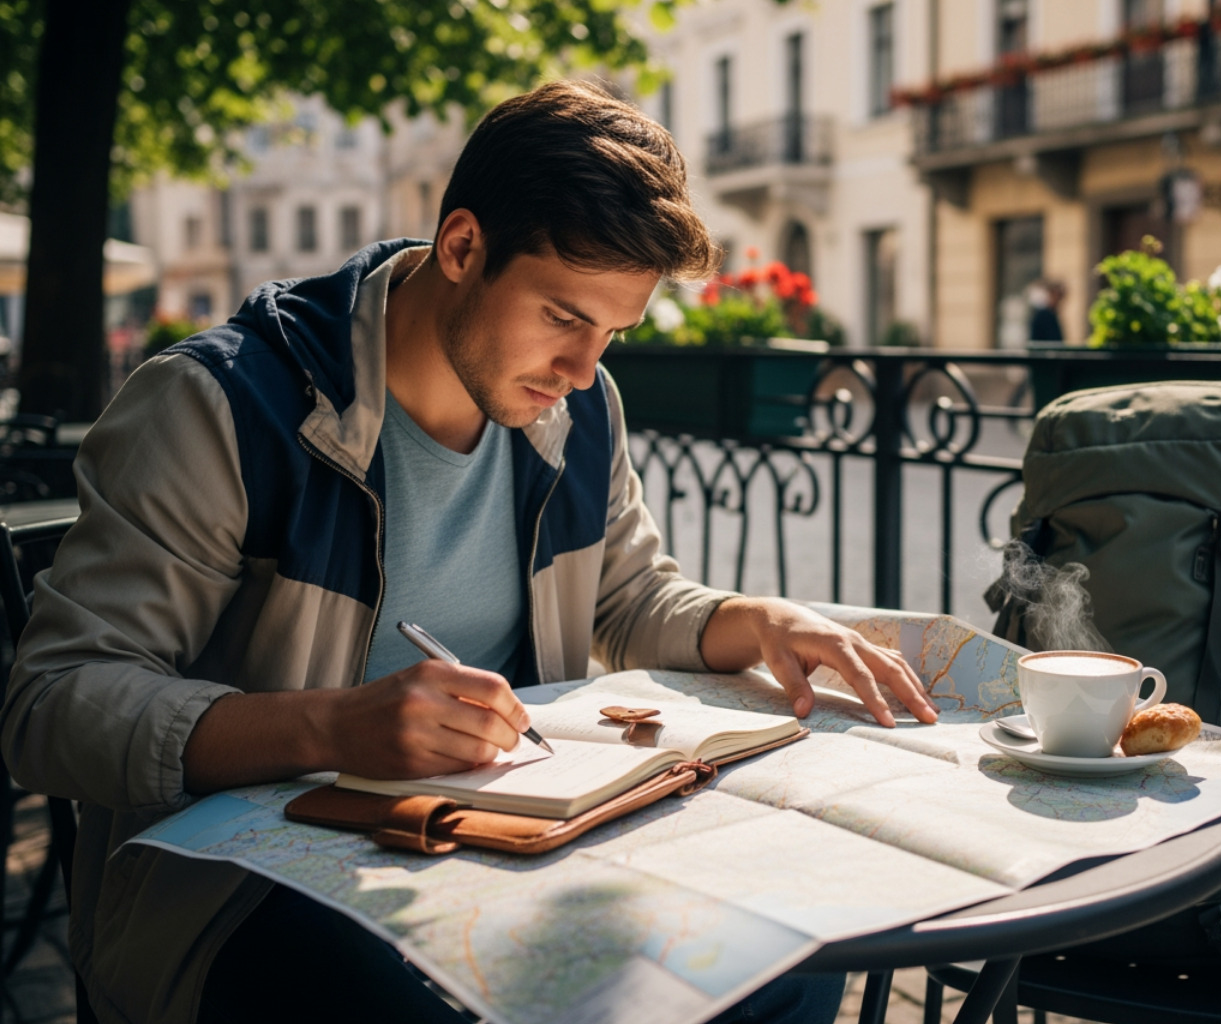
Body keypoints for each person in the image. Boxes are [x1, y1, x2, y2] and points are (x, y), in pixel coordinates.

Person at [0, 80, 937, 1024]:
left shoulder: (579, 411)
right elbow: (51, 704)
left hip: (512, 853)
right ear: (461, 247)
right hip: (245, 897)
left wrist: (758, 620)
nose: (582, 371)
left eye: (613, 333)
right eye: (565, 318)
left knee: (790, 958)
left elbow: (629, 598)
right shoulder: (219, 407)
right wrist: (330, 729)